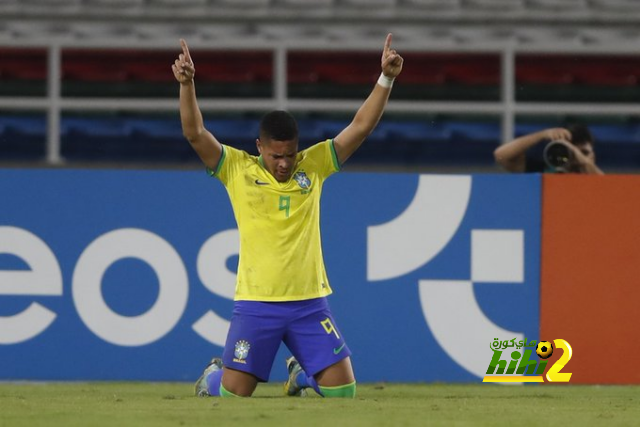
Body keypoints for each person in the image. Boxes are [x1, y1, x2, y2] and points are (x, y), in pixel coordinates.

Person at [172, 35, 403, 398]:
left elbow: (360, 128)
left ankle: (299, 375)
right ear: (259, 146)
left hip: (309, 302)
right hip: (256, 303)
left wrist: (385, 79)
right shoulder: (236, 168)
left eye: (290, 155)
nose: (283, 164)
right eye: (275, 155)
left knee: (344, 393)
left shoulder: (313, 165)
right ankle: (213, 376)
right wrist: (187, 85)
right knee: (234, 396)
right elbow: (194, 133)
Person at [493, 124, 604, 174]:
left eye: (584, 152)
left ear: (593, 156)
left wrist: (580, 159)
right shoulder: (544, 172)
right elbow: (501, 155)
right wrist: (542, 134)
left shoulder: (594, 179)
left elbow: (605, 186)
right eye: (571, 152)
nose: (576, 157)